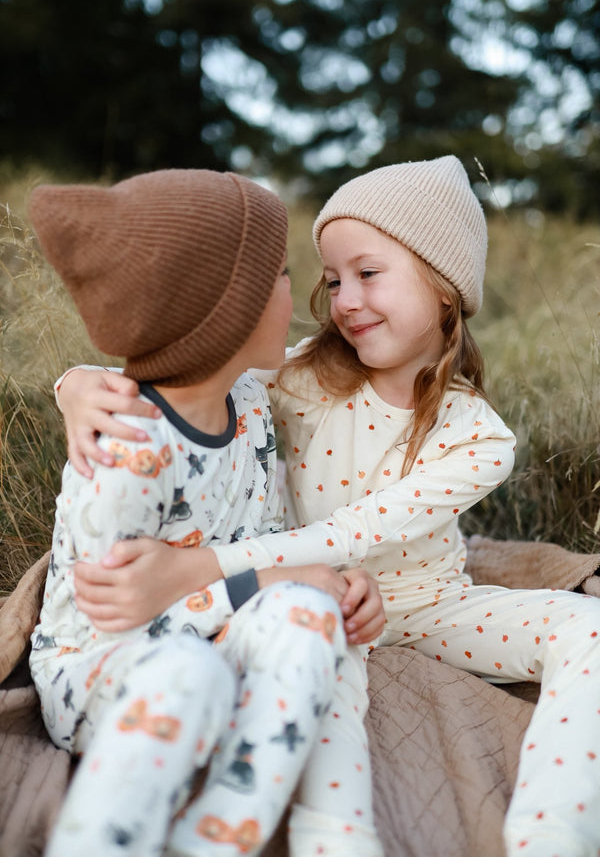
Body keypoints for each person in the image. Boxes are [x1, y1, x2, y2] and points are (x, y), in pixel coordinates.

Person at [57, 156, 600, 857]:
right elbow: (187, 372)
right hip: (320, 595)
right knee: (322, 660)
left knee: (589, 627)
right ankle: (335, 839)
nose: (345, 299)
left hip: (431, 604)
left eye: (369, 274)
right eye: (334, 279)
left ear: (443, 288)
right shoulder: (310, 373)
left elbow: (354, 532)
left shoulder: (478, 438)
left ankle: (553, 834)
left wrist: (192, 571)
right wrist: (75, 384)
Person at [28, 168, 385, 857]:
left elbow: (263, 538)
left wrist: (323, 582)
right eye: (280, 275)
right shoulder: (128, 454)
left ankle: (218, 834)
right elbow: (119, 617)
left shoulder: (248, 398)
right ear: (230, 313)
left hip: (214, 629)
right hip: (109, 669)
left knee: (312, 619)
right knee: (192, 676)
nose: (297, 290)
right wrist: (270, 583)